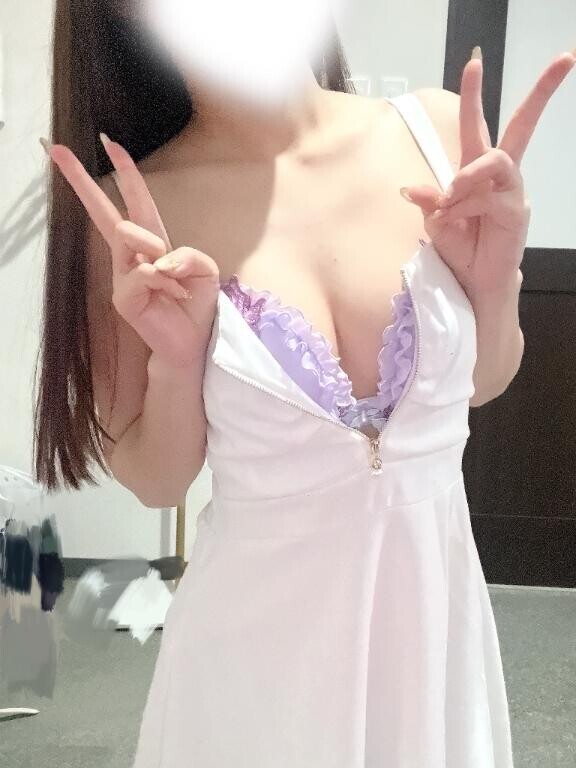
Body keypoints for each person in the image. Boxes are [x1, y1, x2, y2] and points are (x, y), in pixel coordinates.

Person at [33, 1, 575, 765]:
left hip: (432, 648)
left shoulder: (436, 132)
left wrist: (495, 281)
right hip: (255, 679)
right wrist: (176, 359)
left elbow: (482, 381)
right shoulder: (127, 211)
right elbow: (158, 480)